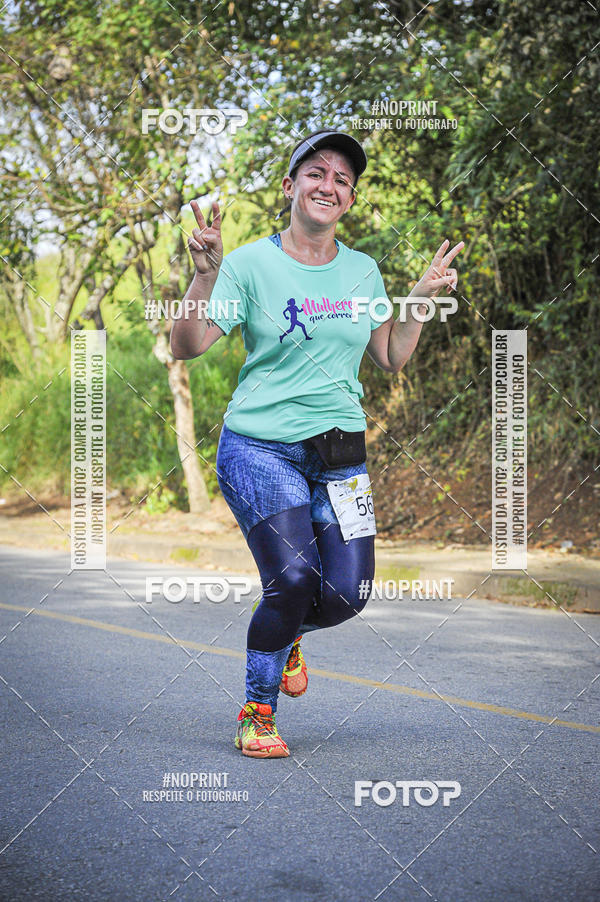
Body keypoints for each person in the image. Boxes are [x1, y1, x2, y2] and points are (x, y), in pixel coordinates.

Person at [171, 128, 464, 759]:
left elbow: (390, 356)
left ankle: (288, 630)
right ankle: (257, 712)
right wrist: (204, 275)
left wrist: (417, 301)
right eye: (316, 173)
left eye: (342, 180)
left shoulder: (363, 270)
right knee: (295, 575)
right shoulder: (247, 264)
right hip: (261, 446)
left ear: (349, 199)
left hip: (340, 454)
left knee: (349, 595)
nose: (329, 185)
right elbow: (187, 345)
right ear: (290, 185)